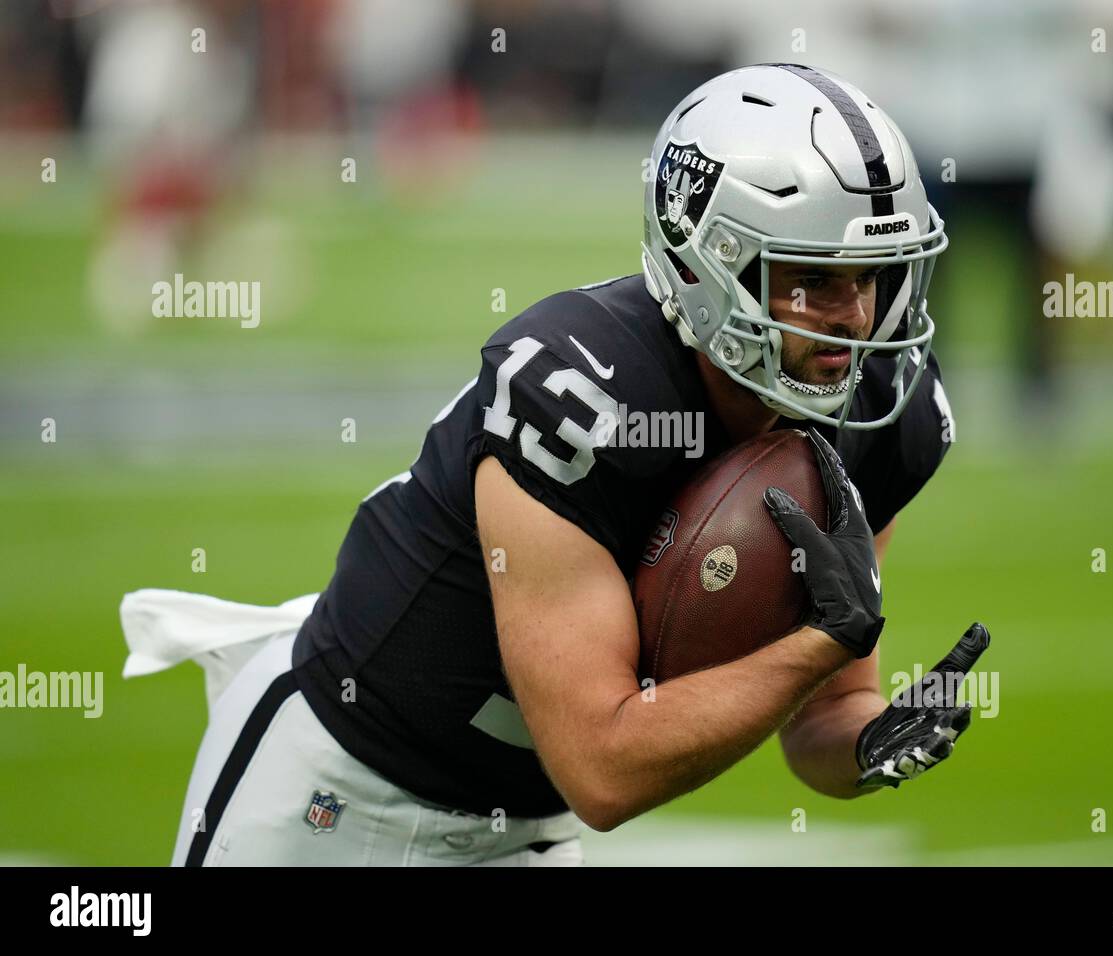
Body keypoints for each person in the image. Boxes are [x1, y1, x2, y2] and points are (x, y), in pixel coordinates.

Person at [151, 63, 987, 867]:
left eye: (875, 277)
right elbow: (606, 770)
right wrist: (816, 645)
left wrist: (872, 744)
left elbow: (828, 714)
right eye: (814, 281)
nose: (856, 321)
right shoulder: (580, 394)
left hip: (522, 827)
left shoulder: (877, 412)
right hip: (334, 788)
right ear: (710, 265)